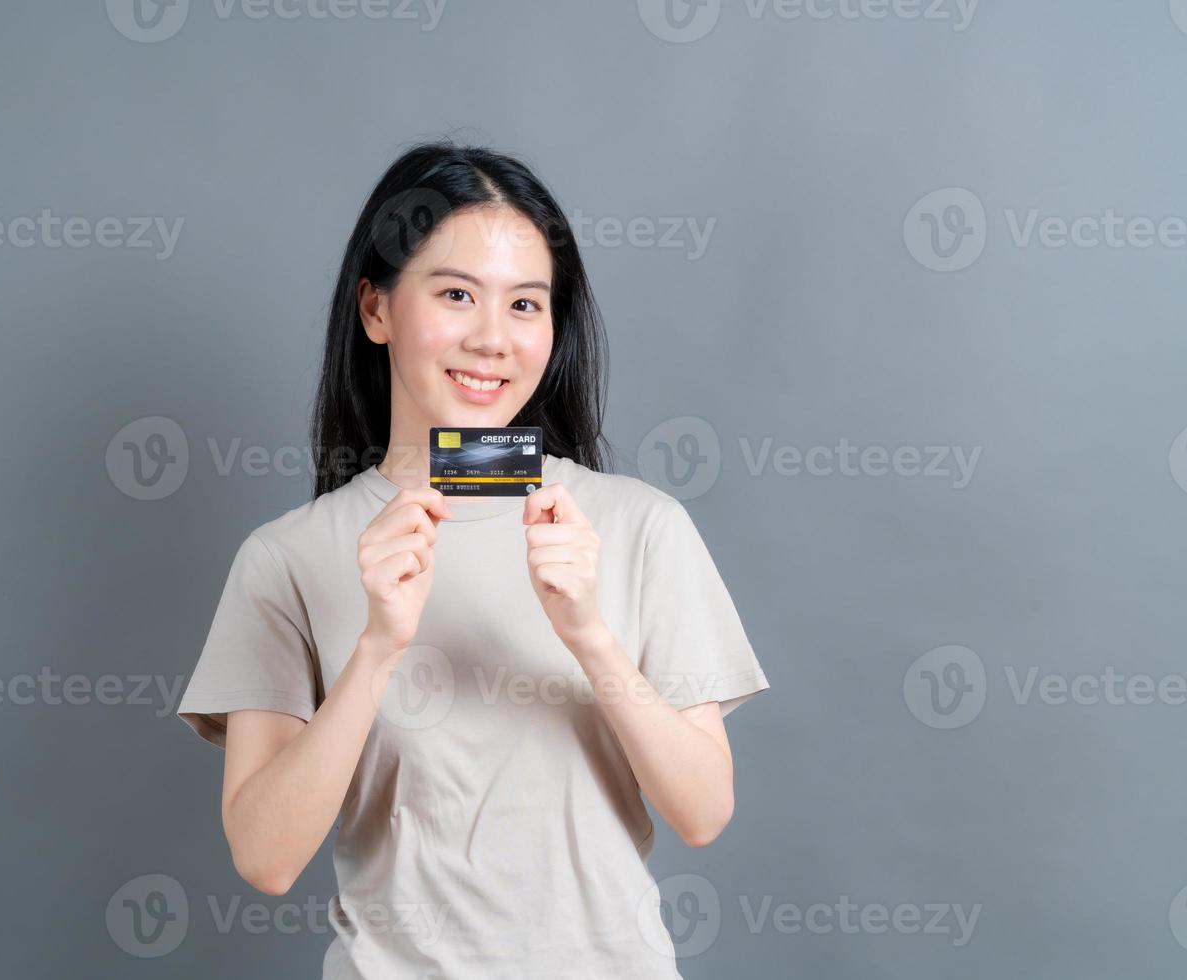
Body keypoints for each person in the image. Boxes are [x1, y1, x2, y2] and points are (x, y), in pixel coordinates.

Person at [175, 139, 770, 978]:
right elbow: (265, 859)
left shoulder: (639, 526)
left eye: (526, 305)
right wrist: (377, 647)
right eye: (456, 294)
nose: (493, 339)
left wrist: (590, 635)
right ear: (376, 310)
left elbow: (704, 812)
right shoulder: (288, 558)